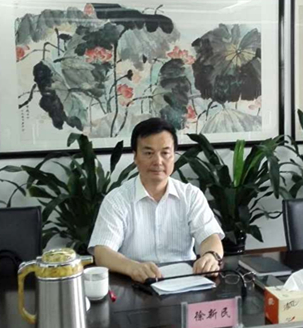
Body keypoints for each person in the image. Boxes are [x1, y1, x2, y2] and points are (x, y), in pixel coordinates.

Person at [88, 118, 224, 283]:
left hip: (184, 283)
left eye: (165, 153)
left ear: (173, 156)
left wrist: (211, 256)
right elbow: (102, 252)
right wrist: (132, 267)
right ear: (135, 157)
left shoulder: (191, 195)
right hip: (136, 284)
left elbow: (210, 237)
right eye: (148, 153)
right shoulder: (117, 200)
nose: (158, 161)